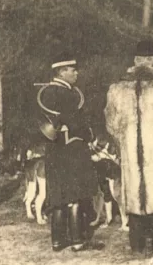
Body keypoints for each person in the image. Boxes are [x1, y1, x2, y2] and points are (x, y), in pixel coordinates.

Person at [104, 40, 153, 253]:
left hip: (129, 148)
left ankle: (136, 243)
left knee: (133, 189)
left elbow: (111, 123)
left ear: (135, 60)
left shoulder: (117, 88)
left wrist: (122, 139)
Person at [37, 53, 104, 252]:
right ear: (62, 71)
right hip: (73, 149)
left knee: (58, 196)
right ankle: (77, 240)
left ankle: (57, 241)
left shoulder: (45, 92)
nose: (76, 73)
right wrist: (90, 134)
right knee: (75, 194)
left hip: (53, 151)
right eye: (72, 70)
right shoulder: (68, 94)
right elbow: (78, 124)